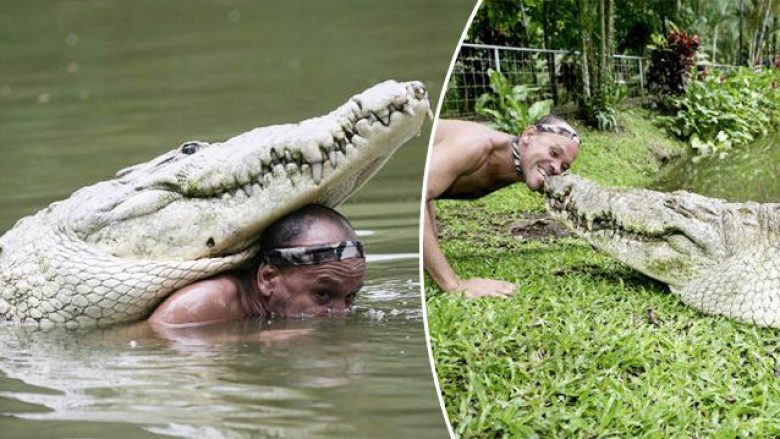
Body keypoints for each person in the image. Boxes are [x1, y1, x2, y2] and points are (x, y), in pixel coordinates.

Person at [424, 115, 580, 298]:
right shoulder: (475, 146)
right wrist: (454, 285)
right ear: (529, 135)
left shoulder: (517, 164)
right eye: (554, 153)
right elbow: (414, 196)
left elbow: (427, 189)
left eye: (564, 166)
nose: (556, 167)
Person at [149, 205, 366, 326]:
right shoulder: (207, 302)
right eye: (322, 294)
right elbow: (145, 346)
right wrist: (259, 340)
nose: (340, 315)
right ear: (268, 278)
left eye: (349, 298)